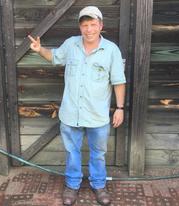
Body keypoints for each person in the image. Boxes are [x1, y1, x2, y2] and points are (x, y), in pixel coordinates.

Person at [28, 6, 126, 206]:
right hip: (71, 113)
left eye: (92, 25)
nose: (89, 29)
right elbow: (54, 57)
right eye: (85, 25)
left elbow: (118, 81)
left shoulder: (111, 50)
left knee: (98, 154)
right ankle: (72, 186)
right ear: (80, 27)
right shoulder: (71, 44)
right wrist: (40, 50)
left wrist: (120, 108)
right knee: (72, 152)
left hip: (97, 115)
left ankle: (99, 185)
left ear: (100, 26)